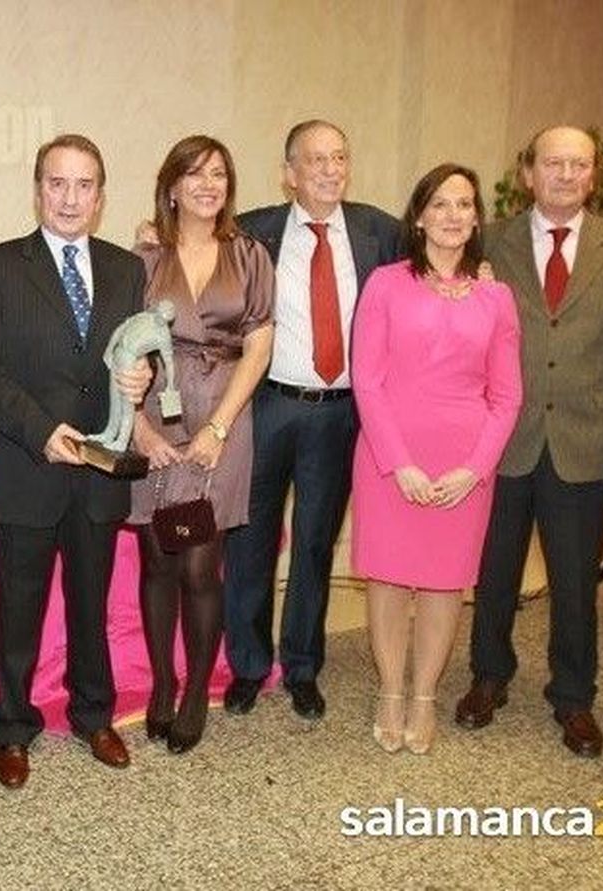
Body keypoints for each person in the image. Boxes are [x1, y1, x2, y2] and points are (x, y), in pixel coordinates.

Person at [455, 126, 603, 758]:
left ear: (593, 175)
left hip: (583, 437)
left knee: (574, 579)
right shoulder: (491, 240)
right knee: (495, 572)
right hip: (504, 437)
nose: (566, 175)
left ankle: (573, 696)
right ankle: (489, 675)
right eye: (554, 163)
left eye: (579, 165)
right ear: (530, 172)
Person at [0, 134, 151, 789]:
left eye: (83, 185)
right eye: (56, 183)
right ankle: (13, 726)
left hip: (98, 473)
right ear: (38, 188)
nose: (69, 198)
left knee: (89, 602)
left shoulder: (127, 269)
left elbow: (133, 355)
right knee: (19, 606)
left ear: (100, 197)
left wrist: (141, 378)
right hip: (29, 463)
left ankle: (94, 714)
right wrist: (43, 430)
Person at [224, 119, 401, 719]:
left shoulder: (381, 232)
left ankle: (302, 665)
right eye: (315, 160)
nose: (330, 170)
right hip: (268, 405)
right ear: (289, 173)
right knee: (251, 542)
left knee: (315, 544)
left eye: (339, 158)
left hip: (340, 414)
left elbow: (429, 278)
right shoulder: (252, 232)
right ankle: (248, 665)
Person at [350, 163, 521, 755]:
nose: (453, 216)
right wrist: (402, 464)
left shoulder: (498, 297)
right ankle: (390, 690)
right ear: (419, 215)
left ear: (477, 218)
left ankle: (424, 695)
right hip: (390, 455)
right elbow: (366, 381)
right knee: (390, 579)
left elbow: (508, 396)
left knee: (448, 583)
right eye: (441, 204)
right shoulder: (386, 284)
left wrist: (474, 468)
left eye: (465, 205)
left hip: (464, 465)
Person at [129, 136, 273, 754]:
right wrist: (140, 428)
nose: (208, 184)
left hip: (223, 417)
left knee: (198, 562)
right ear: (171, 187)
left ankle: (194, 693)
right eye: (194, 174)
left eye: (218, 173)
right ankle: (162, 682)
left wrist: (218, 426)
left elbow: (260, 347)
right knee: (159, 558)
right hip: (156, 417)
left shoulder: (248, 255)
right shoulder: (143, 258)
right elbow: (121, 348)